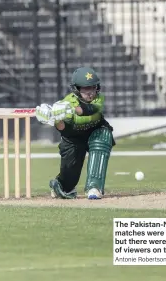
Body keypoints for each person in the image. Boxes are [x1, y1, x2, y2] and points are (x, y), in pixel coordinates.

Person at [35, 67, 114, 200]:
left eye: (92, 87)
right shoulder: (68, 101)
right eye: (85, 89)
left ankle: (94, 187)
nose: (90, 93)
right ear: (76, 89)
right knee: (69, 174)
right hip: (74, 137)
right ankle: (63, 186)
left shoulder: (98, 99)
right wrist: (53, 119)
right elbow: (65, 130)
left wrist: (72, 110)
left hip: (96, 131)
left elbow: (91, 111)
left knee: (103, 137)